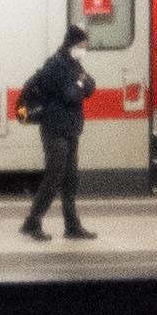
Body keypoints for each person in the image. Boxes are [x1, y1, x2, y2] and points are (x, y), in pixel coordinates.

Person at [19, 26, 99, 242]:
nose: (84, 50)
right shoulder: (55, 65)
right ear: (72, 44)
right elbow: (71, 95)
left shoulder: (73, 63)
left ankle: (72, 226)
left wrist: (82, 83)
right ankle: (32, 222)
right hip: (54, 128)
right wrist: (80, 83)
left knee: (70, 178)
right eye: (82, 46)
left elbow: (91, 87)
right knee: (54, 176)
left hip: (71, 128)